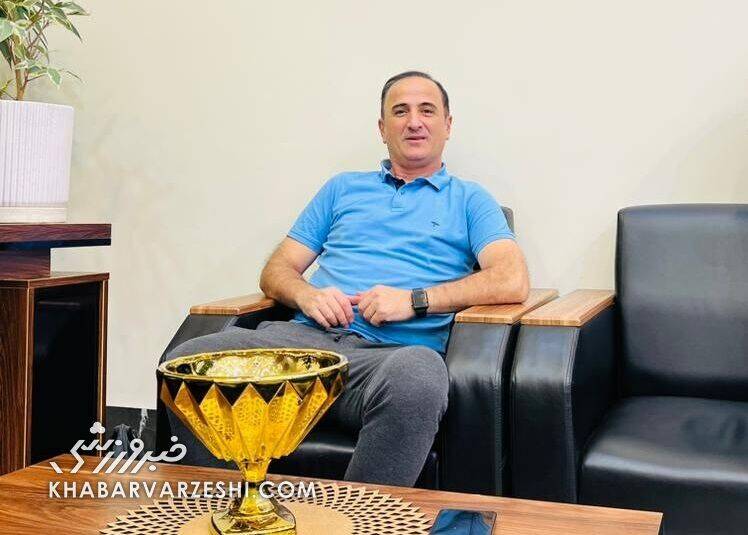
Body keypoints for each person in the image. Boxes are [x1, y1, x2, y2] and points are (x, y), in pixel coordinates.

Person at [163, 70, 529, 487]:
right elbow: (277, 270)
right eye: (400, 111)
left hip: (387, 359)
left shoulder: (470, 199)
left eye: (427, 111)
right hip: (299, 347)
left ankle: (359, 516)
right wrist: (306, 295)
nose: (414, 122)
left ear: (447, 125)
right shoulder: (342, 189)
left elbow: (511, 277)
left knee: (419, 378)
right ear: (382, 128)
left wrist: (414, 300)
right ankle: (231, 508)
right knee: (187, 361)